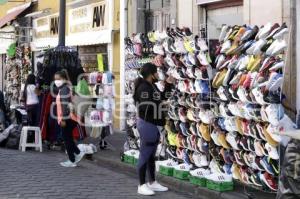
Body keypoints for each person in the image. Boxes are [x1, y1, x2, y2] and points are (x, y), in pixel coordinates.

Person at [133, 63, 174, 196]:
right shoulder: (143, 87)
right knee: (145, 153)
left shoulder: (151, 86)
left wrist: (168, 84)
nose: (158, 74)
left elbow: (161, 97)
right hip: (147, 124)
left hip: (153, 124)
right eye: (156, 72)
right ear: (151, 74)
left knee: (151, 154)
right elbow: (146, 107)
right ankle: (141, 184)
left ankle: (152, 182)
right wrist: (162, 105)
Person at [54, 70, 85, 167]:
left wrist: (63, 119)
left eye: (58, 79)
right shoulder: (67, 88)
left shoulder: (64, 89)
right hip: (71, 117)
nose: (56, 81)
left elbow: (65, 104)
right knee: (68, 138)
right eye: (55, 79)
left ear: (63, 79)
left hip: (67, 118)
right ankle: (77, 154)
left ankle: (72, 159)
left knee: (66, 139)